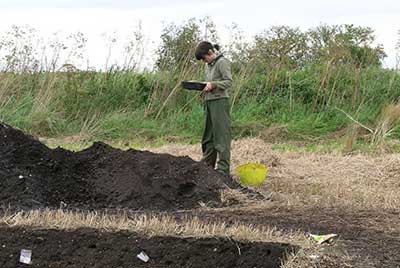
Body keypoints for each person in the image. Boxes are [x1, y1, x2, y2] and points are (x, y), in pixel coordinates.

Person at [195, 41, 232, 176]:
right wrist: (203, 87)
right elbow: (209, 83)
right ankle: (207, 164)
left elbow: (228, 82)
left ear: (210, 52)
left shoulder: (222, 62)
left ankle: (223, 169)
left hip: (220, 102)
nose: (204, 61)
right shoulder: (207, 65)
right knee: (208, 135)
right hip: (209, 101)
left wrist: (213, 85)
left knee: (221, 135)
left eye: (204, 58)